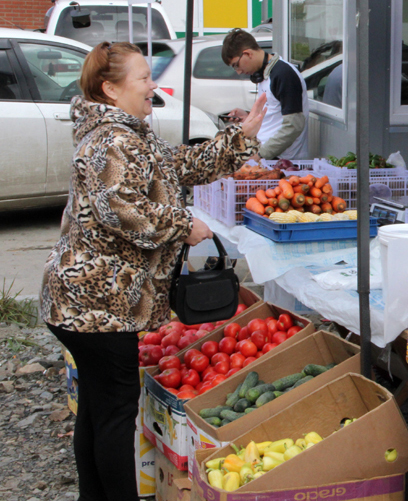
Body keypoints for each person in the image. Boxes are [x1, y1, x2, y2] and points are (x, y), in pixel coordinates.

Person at [40, 41, 266, 501]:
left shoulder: (127, 132)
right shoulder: (111, 140)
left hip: (89, 302)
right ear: (110, 88)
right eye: (143, 78)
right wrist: (184, 225)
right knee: (116, 413)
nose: (152, 86)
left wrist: (239, 140)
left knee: (99, 410)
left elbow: (177, 165)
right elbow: (122, 210)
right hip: (97, 304)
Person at [222, 28, 309, 161]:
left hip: (282, 161)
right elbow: (274, 115)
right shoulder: (264, 74)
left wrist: (259, 155)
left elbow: (294, 125)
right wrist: (248, 118)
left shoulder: (284, 75)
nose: (238, 71)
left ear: (247, 54)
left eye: (236, 65)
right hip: (266, 156)